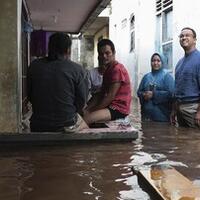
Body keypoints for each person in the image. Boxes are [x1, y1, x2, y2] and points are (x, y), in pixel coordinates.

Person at [27, 32, 89, 132]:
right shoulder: (77, 70)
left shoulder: (34, 66)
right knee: (85, 125)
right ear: (68, 49)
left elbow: (30, 95)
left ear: (49, 47)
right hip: (67, 125)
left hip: (38, 124)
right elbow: (81, 101)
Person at [83, 39, 132, 125]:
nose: (104, 56)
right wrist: (86, 109)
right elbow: (100, 94)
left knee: (86, 119)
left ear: (113, 53)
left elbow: (110, 96)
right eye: (101, 54)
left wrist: (93, 110)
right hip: (109, 106)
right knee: (84, 115)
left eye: (107, 53)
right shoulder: (108, 70)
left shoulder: (117, 69)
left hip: (118, 109)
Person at [170, 27, 200, 128]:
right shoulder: (179, 63)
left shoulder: (198, 59)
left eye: (187, 35)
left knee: (195, 141)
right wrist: (174, 110)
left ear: (195, 40)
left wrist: (199, 112)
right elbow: (177, 88)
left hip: (194, 108)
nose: (184, 38)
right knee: (183, 141)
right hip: (179, 108)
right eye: (181, 36)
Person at [137, 53, 174, 122]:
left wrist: (154, 94)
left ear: (162, 62)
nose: (155, 63)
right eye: (153, 61)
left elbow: (171, 94)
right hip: (146, 116)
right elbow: (139, 92)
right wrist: (143, 95)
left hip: (162, 117)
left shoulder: (167, 77)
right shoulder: (146, 77)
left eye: (158, 61)